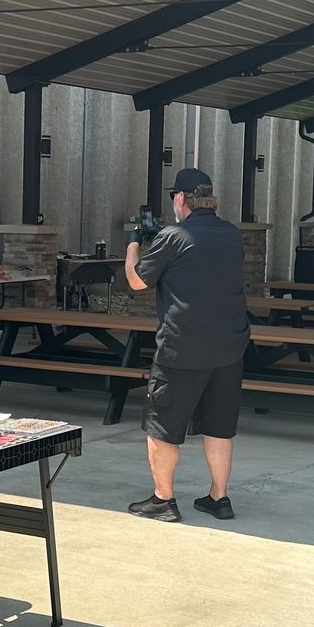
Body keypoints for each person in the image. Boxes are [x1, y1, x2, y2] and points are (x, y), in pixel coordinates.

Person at [124, 168, 250, 522]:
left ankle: (164, 500)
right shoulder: (232, 235)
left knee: (162, 425)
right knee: (219, 425)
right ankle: (219, 498)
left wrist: (134, 242)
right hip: (229, 346)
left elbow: (136, 281)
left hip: (182, 346)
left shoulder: (173, 236)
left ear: (180, 198)